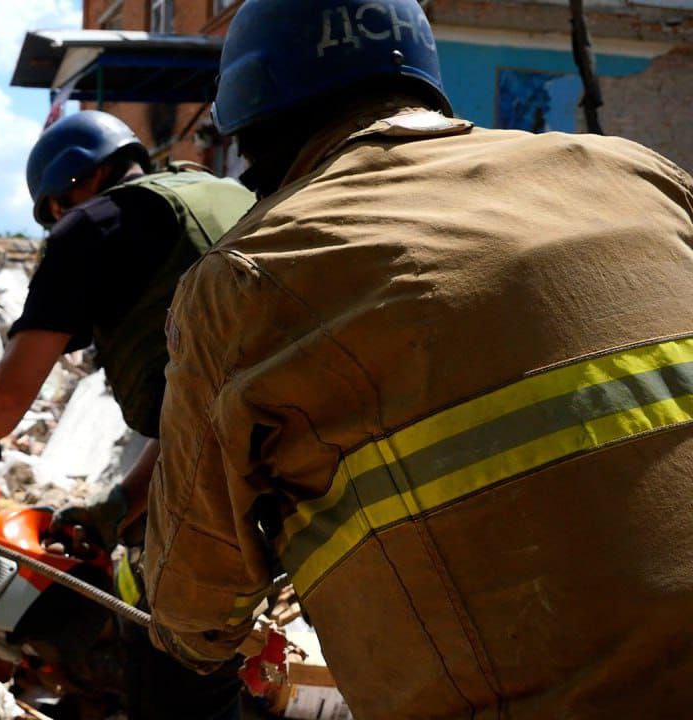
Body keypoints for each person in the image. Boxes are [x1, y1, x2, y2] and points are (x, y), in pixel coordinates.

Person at [144, 0, 693, 717]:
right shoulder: (635, 175)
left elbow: (192, 604)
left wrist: (204, 636)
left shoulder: (250, 273)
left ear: (254, 131)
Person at [0, 109, 255, 718]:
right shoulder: (225, 194)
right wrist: (121, 504)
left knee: (170, 636)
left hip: (240, 467)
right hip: (321, 425)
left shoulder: (96, 226)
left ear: (84, 178)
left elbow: (13, 383)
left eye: (54, 206)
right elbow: (206, 397)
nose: (58, 219)